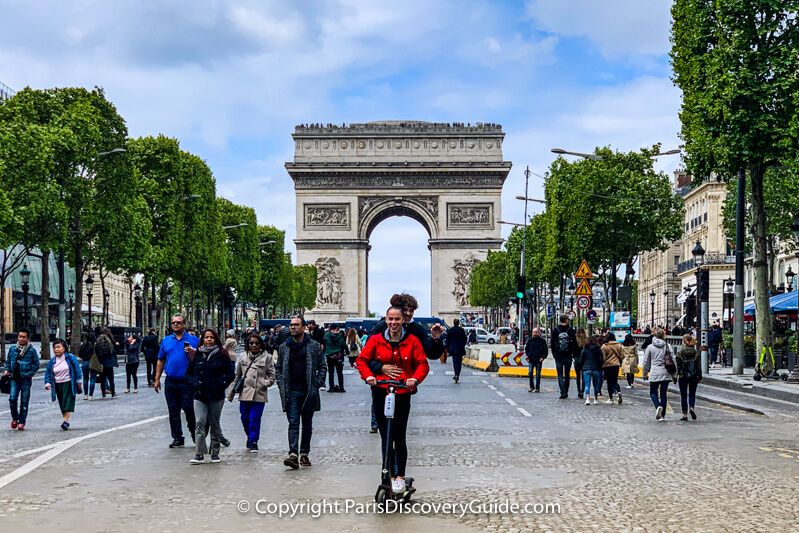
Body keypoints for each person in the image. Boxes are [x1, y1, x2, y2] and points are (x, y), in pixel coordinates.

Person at [356, 306, 430, 495]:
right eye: (390, 319)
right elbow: (362, 361)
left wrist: (415, 379)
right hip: (381, 391)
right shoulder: (375, 340)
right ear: (386, 320)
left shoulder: (413, 341)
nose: (394, 323)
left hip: (403, 392)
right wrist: (368, 376)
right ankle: (387, 474)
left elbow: (423, 364)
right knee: (385, 437)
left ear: (402, 320)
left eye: (397, 319)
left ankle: (400, 476)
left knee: (399, 435)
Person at [276, 316, 327, 469]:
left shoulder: (314, 346)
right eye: (291, 325)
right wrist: (280, 383)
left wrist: (317, 383)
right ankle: (293, 454)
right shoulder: (284, 347)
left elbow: (322, 366)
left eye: (296, 325)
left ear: (304, 327)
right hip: (291, 392)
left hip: (308, 391)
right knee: (293, 422)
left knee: (307, 425)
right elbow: (278, 368)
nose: (293, 328)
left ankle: (304, 453)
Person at [185, 329, 235, 464]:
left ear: (216, 339)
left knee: (215, 423)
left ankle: (215, 453)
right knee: (200, 422)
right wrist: (194, 383)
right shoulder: (197, 355)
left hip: (216, 395)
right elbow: (188, 373)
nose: (208, 340)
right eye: (206, 337)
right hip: (199, 394)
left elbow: (231, 374)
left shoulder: (222, 355)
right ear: (202, 339)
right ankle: (199, 453)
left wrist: (221, 384)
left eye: (211, 337)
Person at [154, 314, 200, 448]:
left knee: (189, 409)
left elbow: (201, 357)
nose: (175, 325)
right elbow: (161, 360)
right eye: (173, 322)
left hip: (188, 381)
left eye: (178, 323)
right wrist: (156, 379)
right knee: (173, 410)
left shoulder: (194, 339)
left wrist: (193, 352)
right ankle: (177, 437)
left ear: (184, 325)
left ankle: (195, 434)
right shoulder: (166, 340)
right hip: (171, 381)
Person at [228, 333, 276, 452]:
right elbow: (237, 375)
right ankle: (249, 437)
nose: (254, 345)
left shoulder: (267, 357)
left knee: (254, 418)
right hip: (245, 392)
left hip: (259, 393)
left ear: (261, 345)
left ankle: (254, 441)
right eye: (251, 343)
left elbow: (272, 374)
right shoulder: (243, 356)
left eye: (256, 343)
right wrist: (231, 393)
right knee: (245, 418)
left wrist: (266, 383)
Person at [44, 339, 83, 430]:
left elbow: (77, 369)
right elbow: (48, 373)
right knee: (62, 402)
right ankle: (65, 421)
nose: (56, 349)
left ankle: (65, 421)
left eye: (58, 347)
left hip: (69, 383)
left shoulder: (70, 358)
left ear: (64, 348)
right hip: (57, 384)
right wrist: (48, 383)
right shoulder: (52, 361)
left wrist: (78, 381)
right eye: (54, 347)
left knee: (68, 402)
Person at [4, 329, 39, 430]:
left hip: (25, 379)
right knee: (12, 399)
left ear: (28, 339)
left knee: (24, 401)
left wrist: (29, 374)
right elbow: (8, 361)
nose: (21, 339)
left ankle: (22, 421)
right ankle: (15, 418)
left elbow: (36, 365)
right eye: (20, 336)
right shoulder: (12, 349)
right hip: (14, 378)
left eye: (24, 337)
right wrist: (7, 370)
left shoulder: (31, 351)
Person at [642, 328, 676, 421]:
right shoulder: (668, 346)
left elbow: (646, 362)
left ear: (654, 335)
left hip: (655, 372)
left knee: (653, 392)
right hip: (666, 372)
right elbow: (673, 360)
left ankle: (657, 406)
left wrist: (644, 373)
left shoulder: (650, 347)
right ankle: (663, 415)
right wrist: (674, 375)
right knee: (663, 393)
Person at [550, 314, 578, 399]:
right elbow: (574, 343)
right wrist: (574, 354)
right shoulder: (570, 330)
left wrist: (554, 354)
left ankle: (562, 392)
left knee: (560, 375)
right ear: (566, 320)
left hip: (558, 355)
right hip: (568, 355)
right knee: (567, 374)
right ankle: (566, 391)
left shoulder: (556, 330)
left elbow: (552, 343)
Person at [676, 333, 703, 421]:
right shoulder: (696, 353)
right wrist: (700, 376)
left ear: (684, 342)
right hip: (693, 375)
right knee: (692, 394)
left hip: (683, 375)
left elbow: (678, 366)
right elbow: (698, 366)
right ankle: (691, 407)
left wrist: (676, 376)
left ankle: (684, 414)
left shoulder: (680, 353)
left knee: (683, 395)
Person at [322, 324, 348, 392]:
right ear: (336, 328)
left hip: (329, 355)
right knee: (339, 372)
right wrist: (347, 352)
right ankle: (341, 387)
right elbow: (343, 344)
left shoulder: (326, 335)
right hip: (338, 355)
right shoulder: (339, 335)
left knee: (331, 372)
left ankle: (331, 387)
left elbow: (324, 344)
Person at [579, 335, 604, 405]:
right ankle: (595, 398)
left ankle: (587, 398)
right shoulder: (598, 349)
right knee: (596, 384)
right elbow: (600, 360)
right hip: (596, 369)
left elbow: (581, 359)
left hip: (586, 368)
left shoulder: (585, 349)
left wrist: (582, 367)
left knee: (587, 384)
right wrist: (600, 367)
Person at [600, 332, 624, 405]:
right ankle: (618, 391)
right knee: (614, 380)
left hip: (607, 365)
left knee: (609, 382)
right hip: (616, 364)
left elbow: (603, 357)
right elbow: (622, 356)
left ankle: (611, 398)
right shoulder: (619, 345)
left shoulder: (604, 346)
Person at [96, 328, 118, 398]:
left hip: (102, 363)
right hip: (109, 363)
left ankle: (103, 393)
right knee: (111, 379)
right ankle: (113, 393)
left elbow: (97, 353)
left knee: (102, 379)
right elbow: (115, 351)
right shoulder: (110, 343)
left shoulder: (98, 343)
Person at [525, 327, 548, 393]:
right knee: (530, 372)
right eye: (533, 332)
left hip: (538, 360)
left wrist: (543, 357)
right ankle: (531, 386)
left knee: (538, 374)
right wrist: (529, 355)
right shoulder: (530, 341)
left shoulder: (542, 341)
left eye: (536, 332)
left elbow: (545, 350)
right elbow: (527, 349)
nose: (534, 334)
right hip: (531, 360)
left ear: (539, 333)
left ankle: (537, 387)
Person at [446, 318, 468, 384]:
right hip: (460, 348)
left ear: (453, 323)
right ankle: (458, 374)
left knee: (455, 362)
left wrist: (448, 348)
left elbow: (447, 340)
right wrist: (463, 345)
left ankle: (456, 374)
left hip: (453, 348)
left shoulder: (450, 330)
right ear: (458, 323)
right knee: (459, 362)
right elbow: (465, 339)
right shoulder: (461, 330)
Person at [78, 332, 98, 400]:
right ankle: (90, 395)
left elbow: (80, 354)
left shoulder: (83, 345)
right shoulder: (95, 345)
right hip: (93, 362)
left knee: (85, 378)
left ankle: (85, 394)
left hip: (85, 362)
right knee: (92, 378)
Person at [574, 327, 587, 399]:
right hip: (584, 360)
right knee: (584, 376)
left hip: (577, 358)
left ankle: (579, 391)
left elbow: (573, 350)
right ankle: (583, 390)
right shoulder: (586, 341)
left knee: (578, 375)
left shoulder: (575, 341)